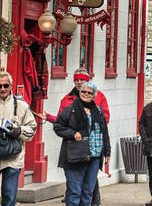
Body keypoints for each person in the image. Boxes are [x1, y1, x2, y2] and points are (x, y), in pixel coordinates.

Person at [39, 68, 109, 206]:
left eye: (82, 80)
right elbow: (61, 121)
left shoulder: (98, 102)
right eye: (76, 80)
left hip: (94, 152)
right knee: (75, 190)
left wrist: (106, 151)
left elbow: (103, 126)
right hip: (76, 151)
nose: (79, 82)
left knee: (88, 190)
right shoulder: (68, 101)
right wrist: (49, 118)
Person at [0, 71, 36, 206]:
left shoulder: (21, 105)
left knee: (9, 197)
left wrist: (18, 130)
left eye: (5, 85)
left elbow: (32, 129)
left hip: (13, 157)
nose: (2, 89)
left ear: (11, 86)